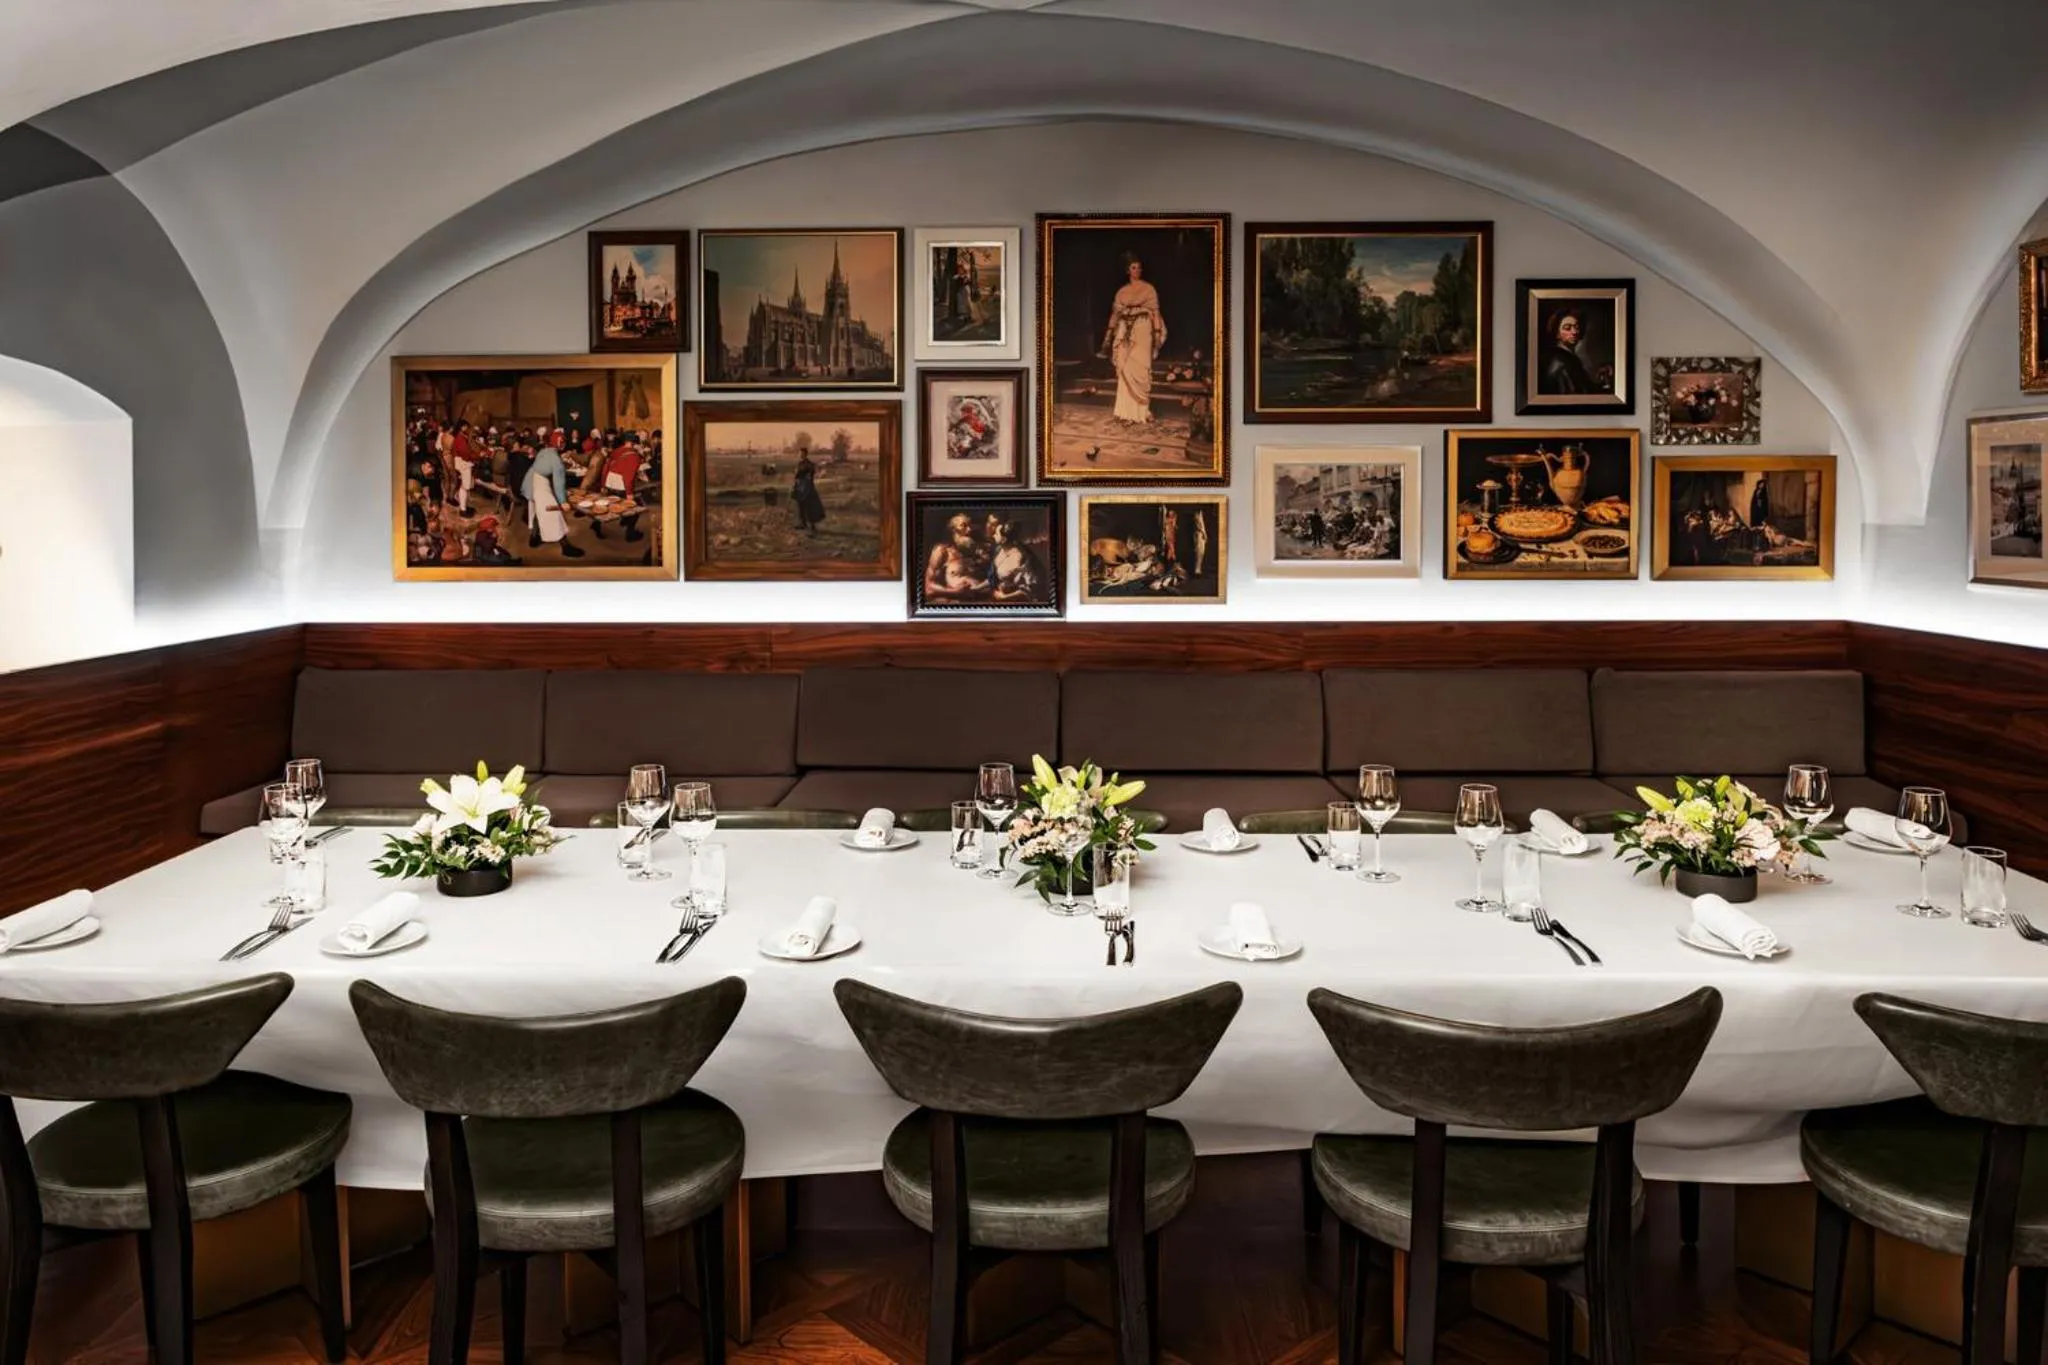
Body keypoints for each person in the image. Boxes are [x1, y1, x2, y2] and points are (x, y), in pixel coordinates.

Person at [1100, 253, 1165, 424]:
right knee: (1125, 367)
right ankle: (1125, 412)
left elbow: (1155, 313)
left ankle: (1143, 411)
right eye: (1134, 267)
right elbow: (1114, 315)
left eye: (1139, 267)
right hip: (1123, 331)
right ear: (1127, 271)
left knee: (1142, 368)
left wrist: (1157, 334)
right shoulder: (1121, 292)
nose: (1137, 270)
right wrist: (1108, 336)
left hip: (1143, 329)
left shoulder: (1149, 289)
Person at [522, 431, 585, 559]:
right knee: (553, 514)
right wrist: (563, 501)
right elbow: (558, 483)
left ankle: (534, 537)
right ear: (558, 443)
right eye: (562, 442)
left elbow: (544, 466)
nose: (563, 445)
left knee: (537, 511)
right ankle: (565, 547)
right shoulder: (556, 460)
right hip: (540, 485)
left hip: (530, 479)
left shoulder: (544, 451)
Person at [923, 513, 990, 600]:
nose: (969, 530)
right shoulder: (942, 551)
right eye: (963, 526)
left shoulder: (977, 550)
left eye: (970, 526)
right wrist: (955, 592)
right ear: (953, 530)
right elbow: (929, 587)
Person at [1538, 309, 1598, 394]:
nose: (1574, 332)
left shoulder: (1571, 358)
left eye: (1576, 327)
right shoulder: (1561, 361)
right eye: (1567, 328)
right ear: (1557, 333)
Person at [988, 516, 1047, 602]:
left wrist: (1004, 597)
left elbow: (1030, 590)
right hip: (999, 595)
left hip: (1017, 601)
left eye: (996, 534)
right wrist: (976, 588)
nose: (993, 535)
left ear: (1004, 539)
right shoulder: (999, 550)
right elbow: (993, 576)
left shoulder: (1019, 557)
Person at [791, 449, 827, 535]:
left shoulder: (809, 464)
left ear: (805, 454)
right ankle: (803, 523)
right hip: (800, 486)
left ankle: (812, 526)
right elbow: (797, 476)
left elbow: (810, 476)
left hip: (807, 487)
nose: (800, 455)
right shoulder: (800, 464)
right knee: (800, 505)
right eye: (799, 453)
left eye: (802, 453)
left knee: (810, 506)